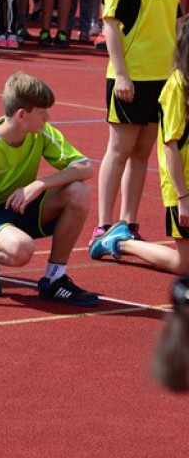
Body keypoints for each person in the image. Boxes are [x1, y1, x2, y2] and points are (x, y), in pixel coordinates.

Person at [0, 71, 99, 306]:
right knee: (22, 250)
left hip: (23, 206)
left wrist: (39, 184)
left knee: (79, 192)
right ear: (22, 114)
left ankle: (55, 279)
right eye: (43, 112)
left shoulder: (40, 133)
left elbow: (85, 167)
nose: (48, 118)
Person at [94, 0, 188, 248]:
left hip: (164, 78)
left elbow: (177, 24)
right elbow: (111, 24)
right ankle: (104, 224)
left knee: (143, 152)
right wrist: (121, 74)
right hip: (131, 75)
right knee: (119, 149)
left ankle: (128, 222)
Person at [93, 19, 189, 273]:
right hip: (184, 187)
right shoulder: (177, 88)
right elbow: (170, 146)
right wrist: (183, 198)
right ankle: (121, 242)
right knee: (184, 264)